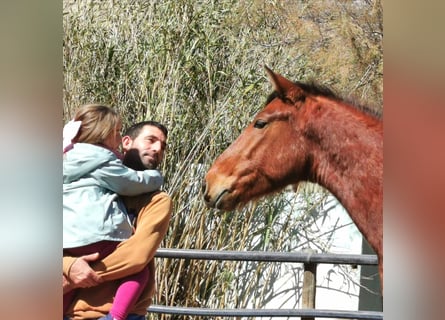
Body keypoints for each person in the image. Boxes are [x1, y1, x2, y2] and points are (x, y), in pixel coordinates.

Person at [63, 105, 165, 320]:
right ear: (126, 142)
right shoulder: (105, 163)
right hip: (78, 314)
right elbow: (130, 181)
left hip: (92, 305)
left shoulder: (157, 200)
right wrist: (70, 267)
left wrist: (72, 272)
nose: (157, 149)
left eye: (163, 146)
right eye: (150, 140)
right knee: (141, 273)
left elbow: (136, 256)